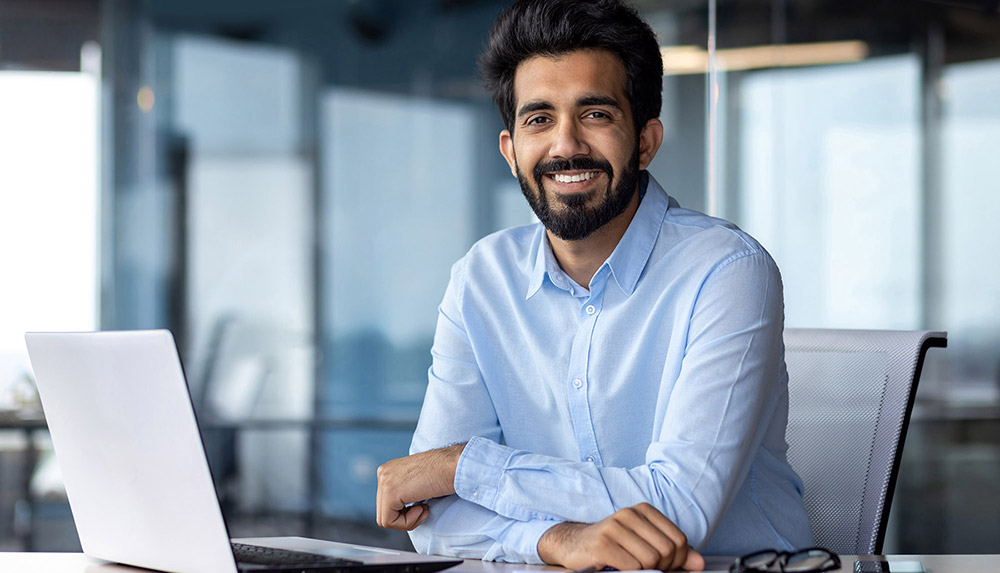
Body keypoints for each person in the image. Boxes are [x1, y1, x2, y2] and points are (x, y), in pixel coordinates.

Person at [375, 0, 814, 569]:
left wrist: (464, 468)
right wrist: (558, 541)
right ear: (511, 152)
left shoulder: (727, 271)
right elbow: (430, 516)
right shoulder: (482, 280)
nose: (565, 145)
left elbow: (678, 512)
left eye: (595, 114)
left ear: (646, 140)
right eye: (538, 119)